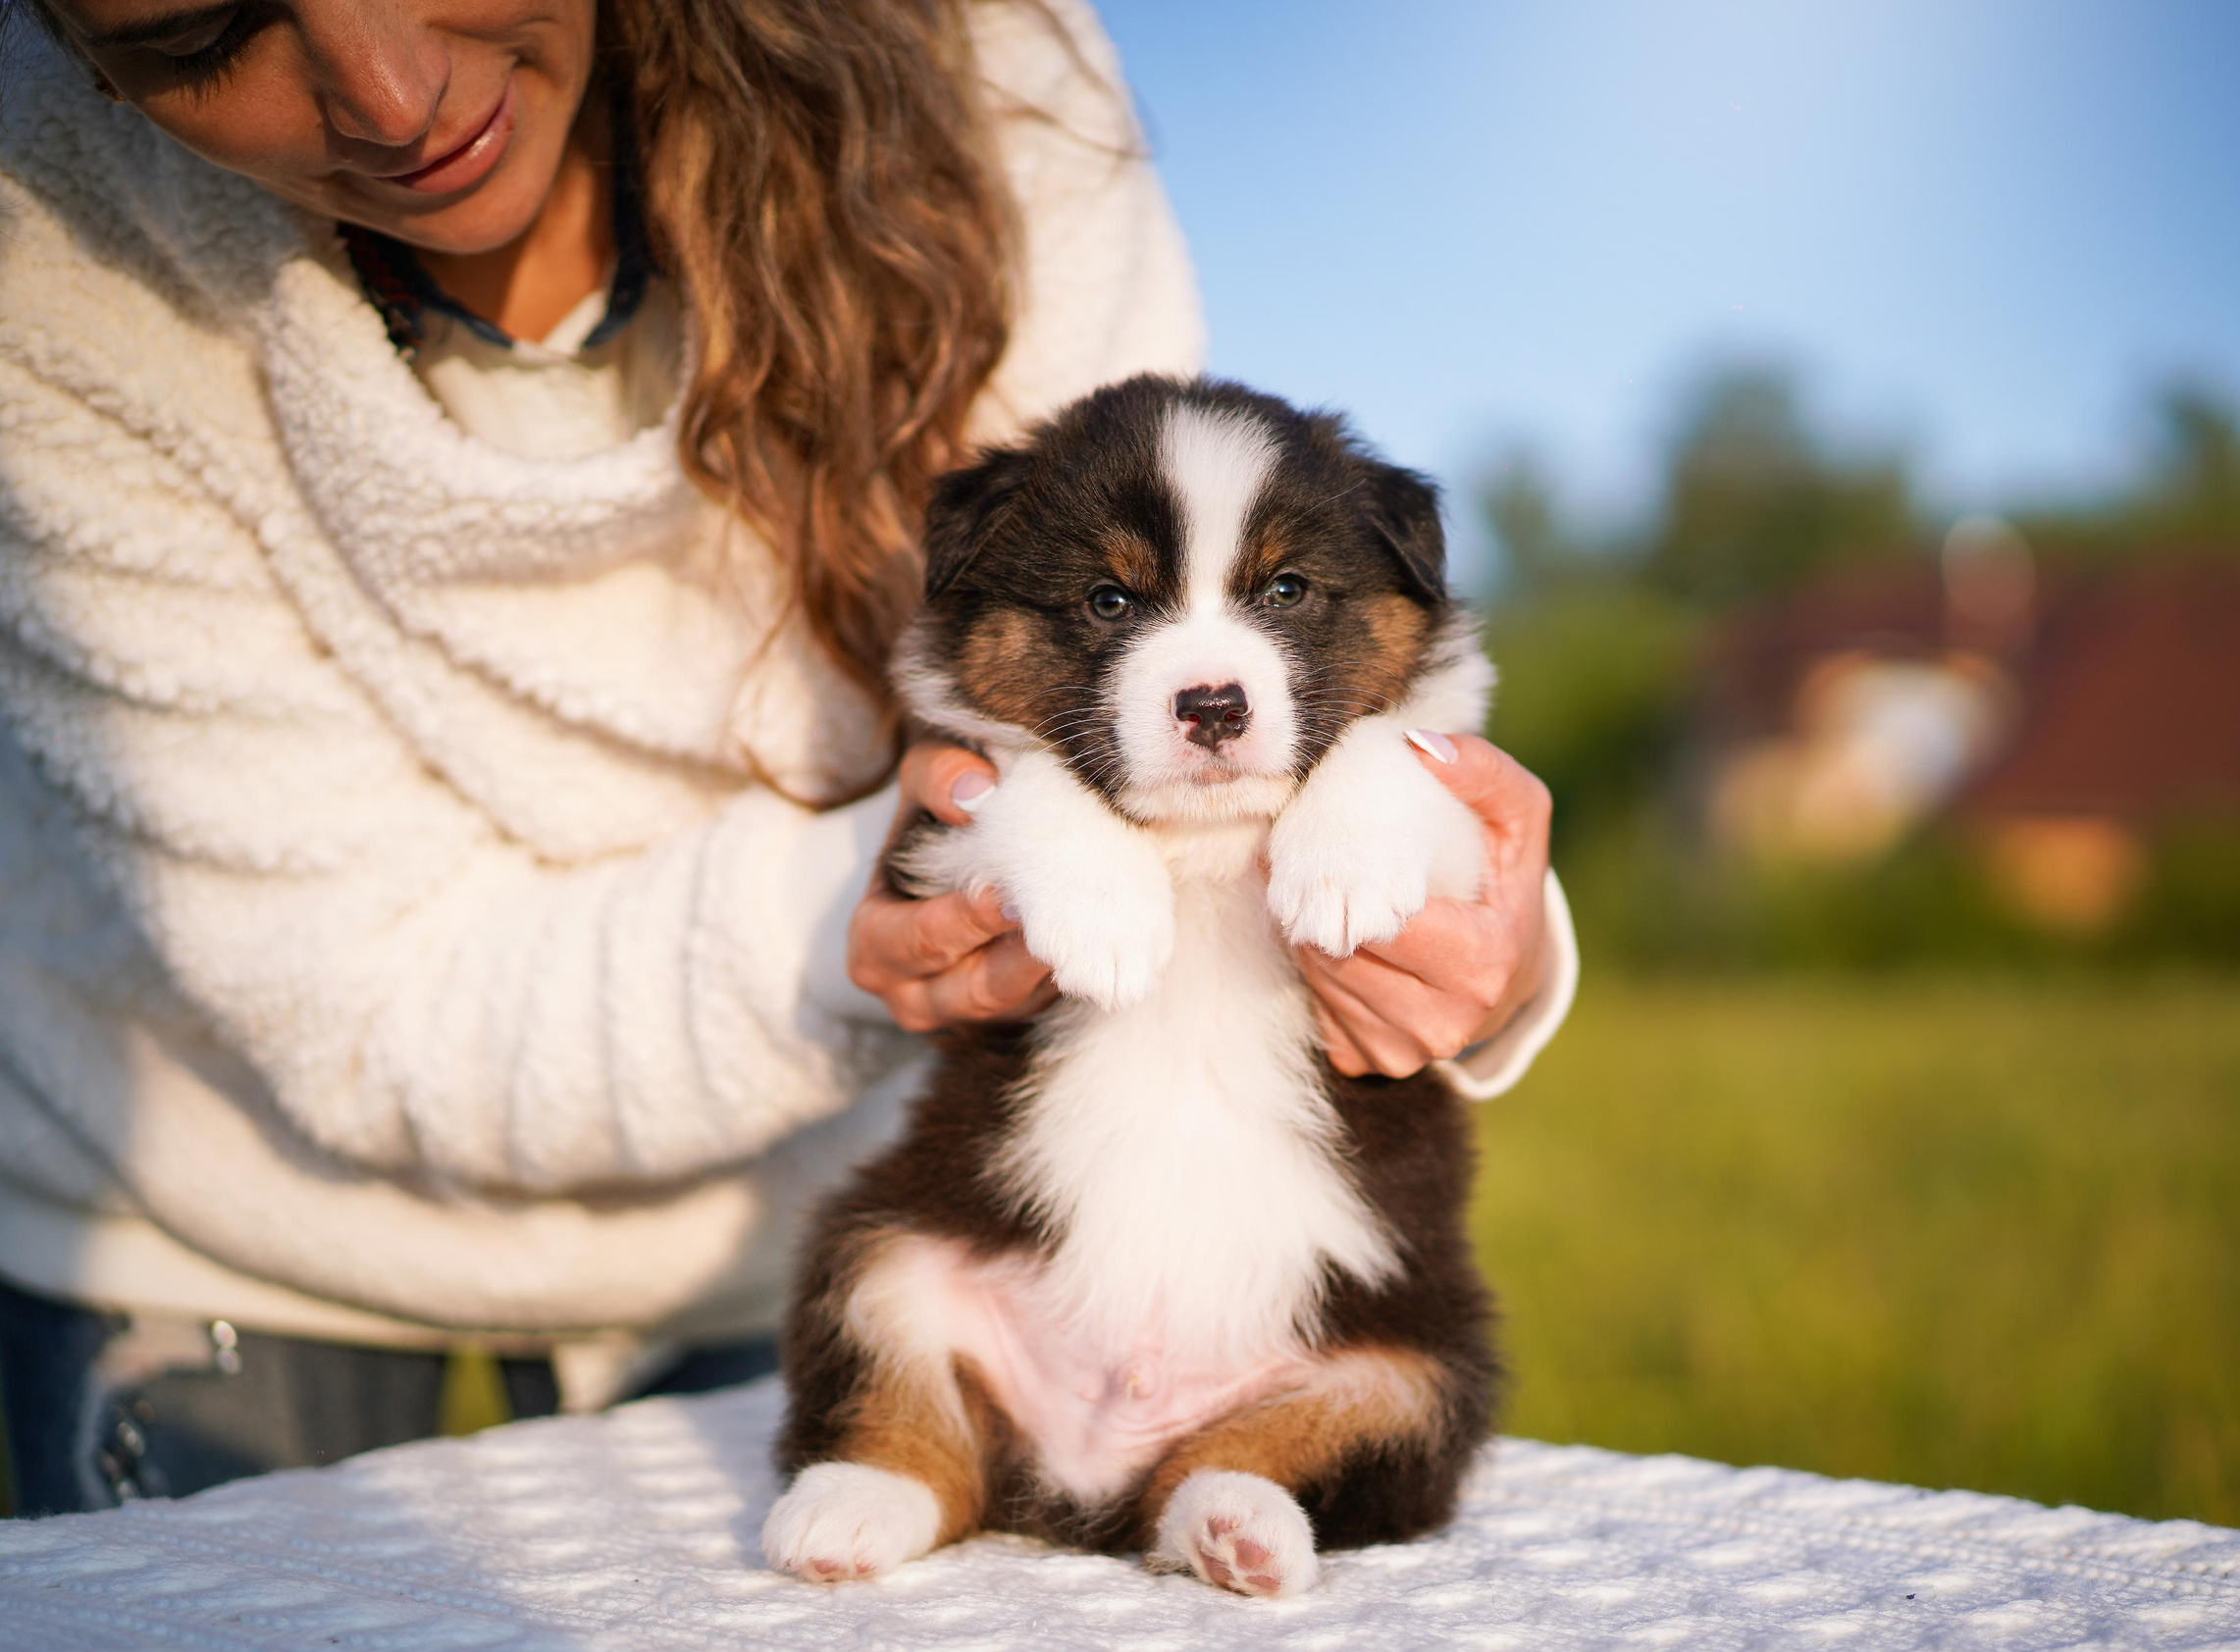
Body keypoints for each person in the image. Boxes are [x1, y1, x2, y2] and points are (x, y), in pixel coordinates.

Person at [0, 0, 1575, 1517]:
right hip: (231, 1218)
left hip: (838, 1221)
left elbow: (1187, 518)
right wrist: (862, 911)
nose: (387, 92)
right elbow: (359, 995)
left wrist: (1494, 943)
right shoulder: (41, 243)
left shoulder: (988, 63)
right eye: (203, 36)